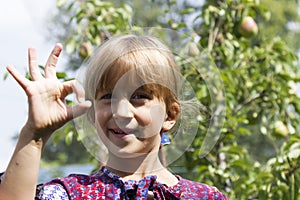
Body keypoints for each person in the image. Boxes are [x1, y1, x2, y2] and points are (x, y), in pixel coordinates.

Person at [0, 34, 227, 199]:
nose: (121, 112)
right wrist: (34, 135)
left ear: (170, 115)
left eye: (139, 96)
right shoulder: (70, 194)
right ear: (93, 113)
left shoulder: (204, 197)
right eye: (108, 96)